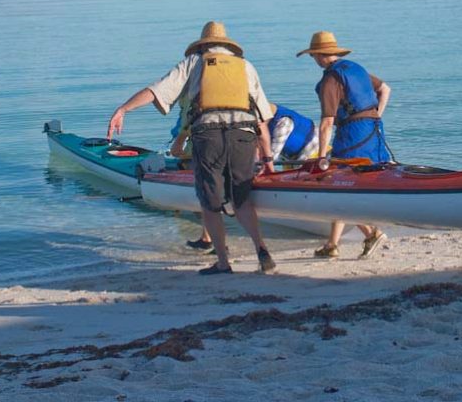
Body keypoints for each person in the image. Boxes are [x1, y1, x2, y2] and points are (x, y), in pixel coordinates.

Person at [108, 21, 277, 275]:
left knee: (209, 202)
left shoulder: (195, 62)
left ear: (203, 44)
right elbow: (263, 119)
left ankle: (222, 262)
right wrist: (267, 158)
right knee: (241, 199)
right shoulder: (246, 67)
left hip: (208, 137)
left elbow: (157, 91)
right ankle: (262, 250)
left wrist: (123, 109)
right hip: (243, 136)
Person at [297, 30, 391, 260]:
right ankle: (332, 244)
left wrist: (321, 157)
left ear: (320, 55)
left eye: (313, 56)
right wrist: (376, 114)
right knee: (345, 185)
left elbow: (327, 123)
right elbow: (385, 89)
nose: (314, 60)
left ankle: (372, 233)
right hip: (374, 129)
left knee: (336, 183)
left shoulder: (330, 79)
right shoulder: (355, 68)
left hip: (352, 134)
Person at [181, 102, 318, 252]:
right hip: (289, 156)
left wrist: (257, 172)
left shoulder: (283, 123)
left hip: (309, 152)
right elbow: (257, 149)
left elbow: (271, 155)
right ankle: (211, 236)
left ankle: (311, 214)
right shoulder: (260, 122)